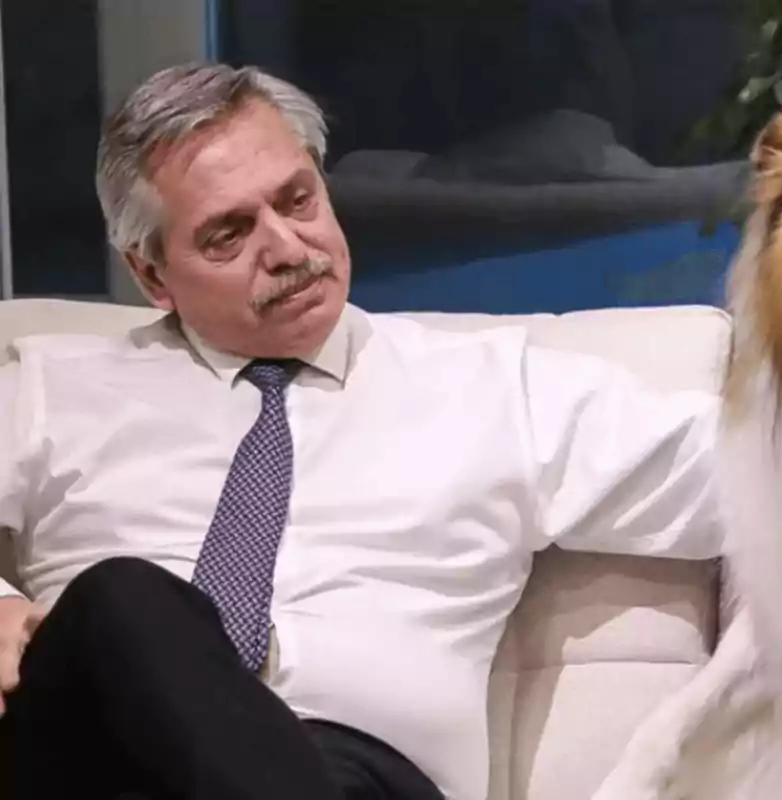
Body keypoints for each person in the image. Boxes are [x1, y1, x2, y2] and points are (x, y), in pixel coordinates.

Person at [0, 63, 723, 800]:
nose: (286, 247)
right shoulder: (54, 388)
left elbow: (759, 482)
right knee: (123, 601)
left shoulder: (497, 388)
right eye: (229, 233)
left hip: (364, 778)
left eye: (297, 199)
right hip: (99, 766)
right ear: (151, 274)